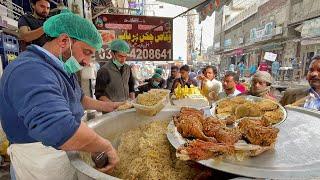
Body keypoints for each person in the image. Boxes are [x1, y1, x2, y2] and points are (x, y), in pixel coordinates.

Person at [0, 12, 123, 179]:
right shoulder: (30, 70)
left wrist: (110, 106)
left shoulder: (63, 68)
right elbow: (59, 128)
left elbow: (78, 99)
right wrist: (104, 146)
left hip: (61, 153)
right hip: (39, 162)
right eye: (86, 52)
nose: (87, 62)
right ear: (64, 41)